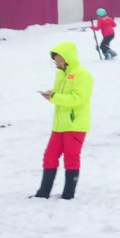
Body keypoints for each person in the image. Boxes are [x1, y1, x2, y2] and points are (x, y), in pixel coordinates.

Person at [33, 41, 93, 200]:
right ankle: (43, 192)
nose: (58, 63)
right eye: (56, 61)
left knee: (71, 157)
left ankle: (68, 194)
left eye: (60, 60)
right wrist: (51, 93)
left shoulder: (82, 74)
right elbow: (61, 94)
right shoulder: (61, 74)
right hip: (59, 124)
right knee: (50, 156)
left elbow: (78, 99)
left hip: (75, 124)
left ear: (69, 58)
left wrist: (54, 97)